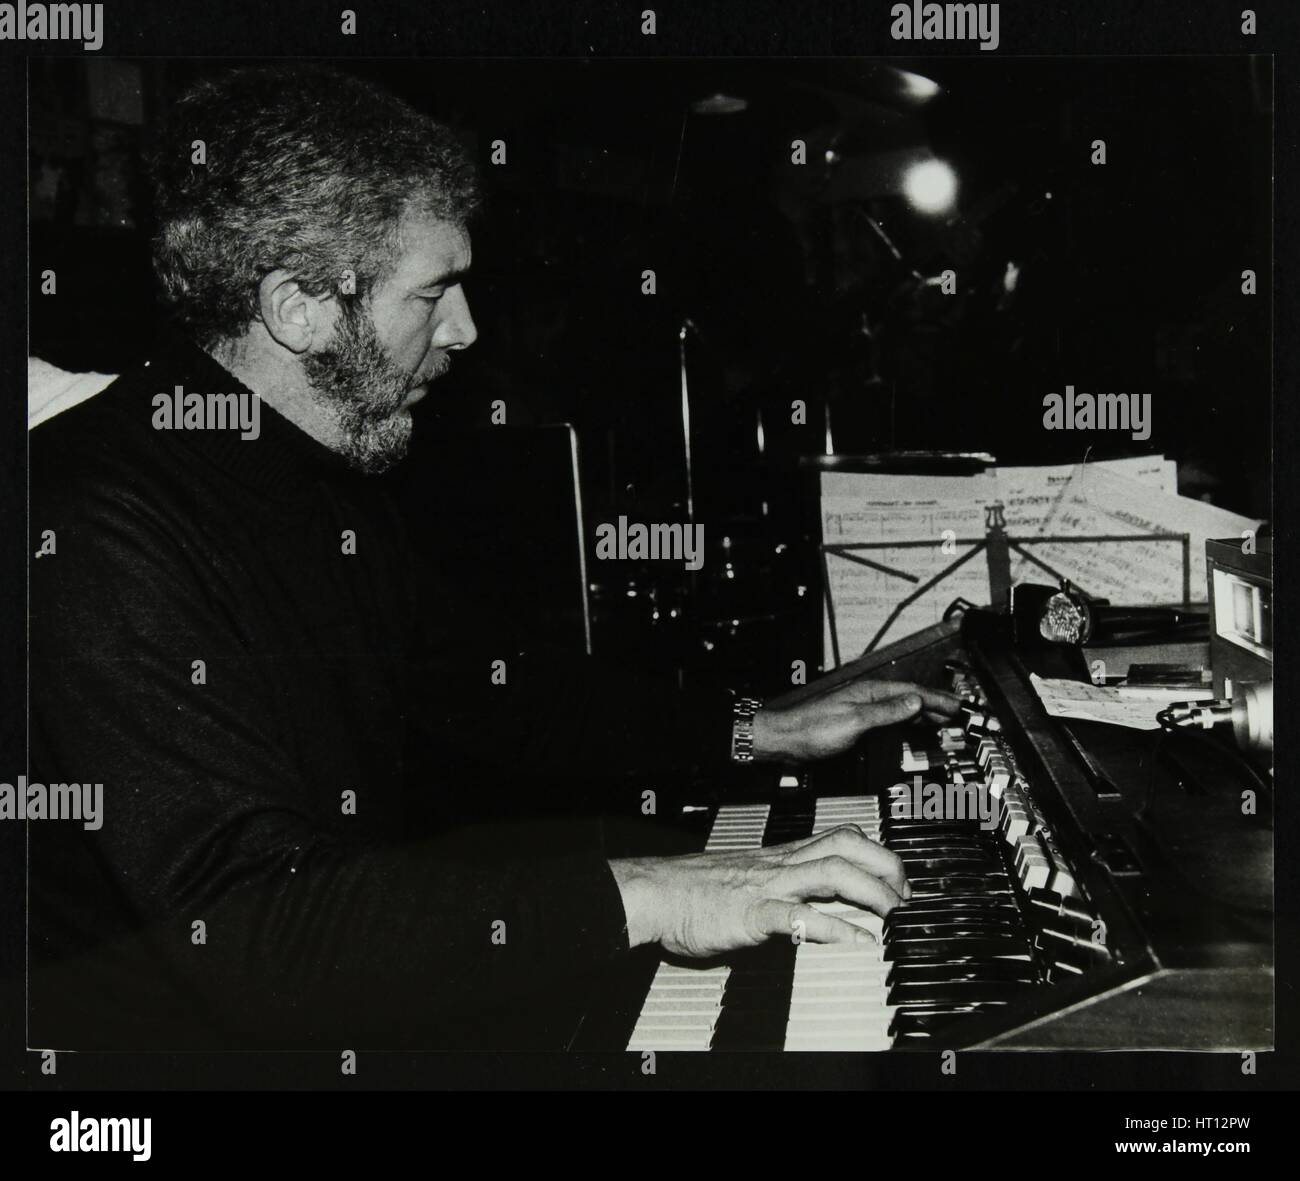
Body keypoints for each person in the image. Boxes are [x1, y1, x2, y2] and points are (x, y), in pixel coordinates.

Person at [28, 64, 957, 1051]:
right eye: (433, 290)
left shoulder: (305, 467)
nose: (466, 330)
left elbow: (490, 687)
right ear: (298, 309)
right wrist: (645, 895)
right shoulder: (90, 527)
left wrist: (750, 730)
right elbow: (257, 931)